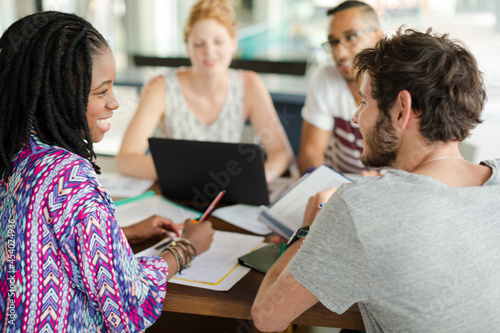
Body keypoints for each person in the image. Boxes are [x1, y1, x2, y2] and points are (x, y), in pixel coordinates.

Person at [252, 28, 500, 332]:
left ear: (401, 110)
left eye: (364, 102)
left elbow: (266, 318)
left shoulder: (362, 207)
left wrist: (308, 231)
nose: (356, 118)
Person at [0, 11, 214, 332]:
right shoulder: (69, 179)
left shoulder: (14, 155)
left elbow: (32, 248)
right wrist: (187, 247)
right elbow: (129, 304)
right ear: (60, 96)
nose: (114, 103)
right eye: (101, 91)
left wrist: (119, 235)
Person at [117, 0, 293, 183]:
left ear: (233, 43)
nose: (209, 51)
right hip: (174, 194)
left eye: (218, 41)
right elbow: (125, 159)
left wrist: (260, 177)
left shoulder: (250, 84)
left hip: (225, 194)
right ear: (188, 47)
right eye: (199, 43)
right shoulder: (160, 86)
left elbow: (281, 153)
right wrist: (195, 174)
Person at [297, 0, 383, 175]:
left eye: (350, 37)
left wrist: (377, 183)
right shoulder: (325, 78)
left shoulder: (403, 82)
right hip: (336, 188)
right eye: (333, 42)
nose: (339, 53)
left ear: (378, 37)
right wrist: (324, 191)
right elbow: (310, 153)